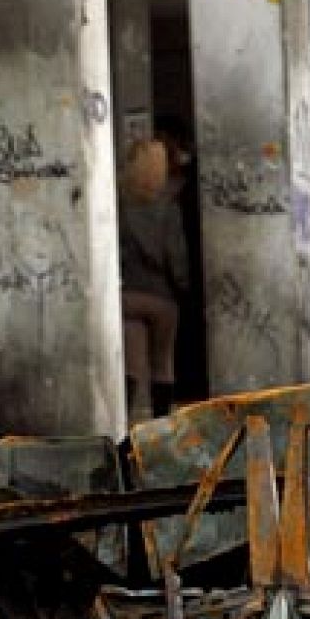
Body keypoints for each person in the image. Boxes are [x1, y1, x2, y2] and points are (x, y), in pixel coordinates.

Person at [119, 135, 190, 419]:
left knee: (133, 366)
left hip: (129, 295)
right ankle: (161, 424)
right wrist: (183, 286)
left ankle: (121, 424)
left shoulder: (120, 206)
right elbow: (176, 257)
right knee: (163, 363)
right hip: (161, 298)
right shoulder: (168, 209)